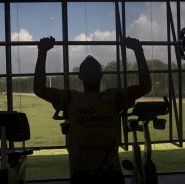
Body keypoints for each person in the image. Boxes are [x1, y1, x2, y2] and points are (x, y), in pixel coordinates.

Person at [34, 36, 151, 184]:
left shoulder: (113, 97)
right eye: (87, 69)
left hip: (110, 173)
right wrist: (42, 52)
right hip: (82, 175)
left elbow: (145, 86)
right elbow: (39, 89)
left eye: (94, 69)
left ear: (101, 75)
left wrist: (138, 51)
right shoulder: (71, 98)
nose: (91, 71)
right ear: (80, 76)